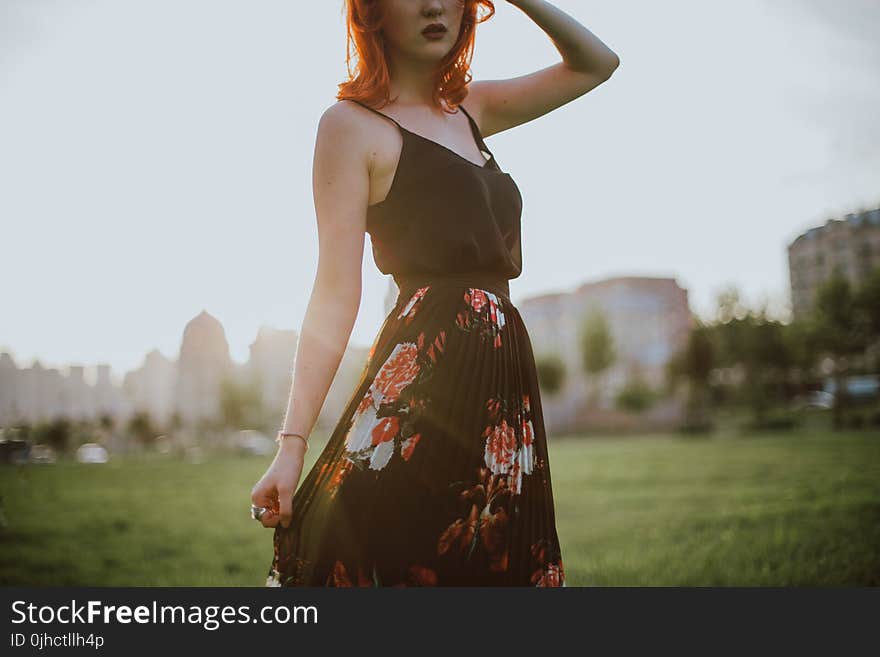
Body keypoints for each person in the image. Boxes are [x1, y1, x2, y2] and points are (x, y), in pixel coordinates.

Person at [250, 0, 619, 587]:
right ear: (372, 14)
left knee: (491, 558)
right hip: (426, 371)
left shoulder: (471, 109)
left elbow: (596, 63)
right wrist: (292, 444)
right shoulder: (349, 126)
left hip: (501, 379)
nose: (433, 5)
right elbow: (335, 293)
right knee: (408, 556)